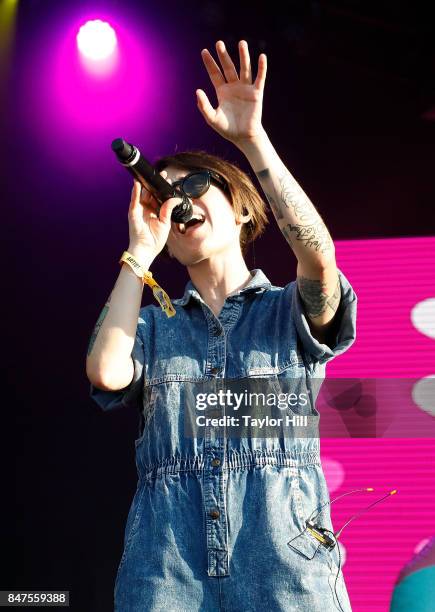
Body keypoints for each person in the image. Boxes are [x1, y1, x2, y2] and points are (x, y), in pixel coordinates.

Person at [86, 39, 357, 612]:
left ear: (238, 207)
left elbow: (320, 256)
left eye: (191, 187)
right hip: (167, 572)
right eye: (164, 195)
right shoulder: (155, 329)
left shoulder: (286, 311)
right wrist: (141, 249)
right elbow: (107, 373)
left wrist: (252, 139)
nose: (177, 201)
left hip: (286, 566)